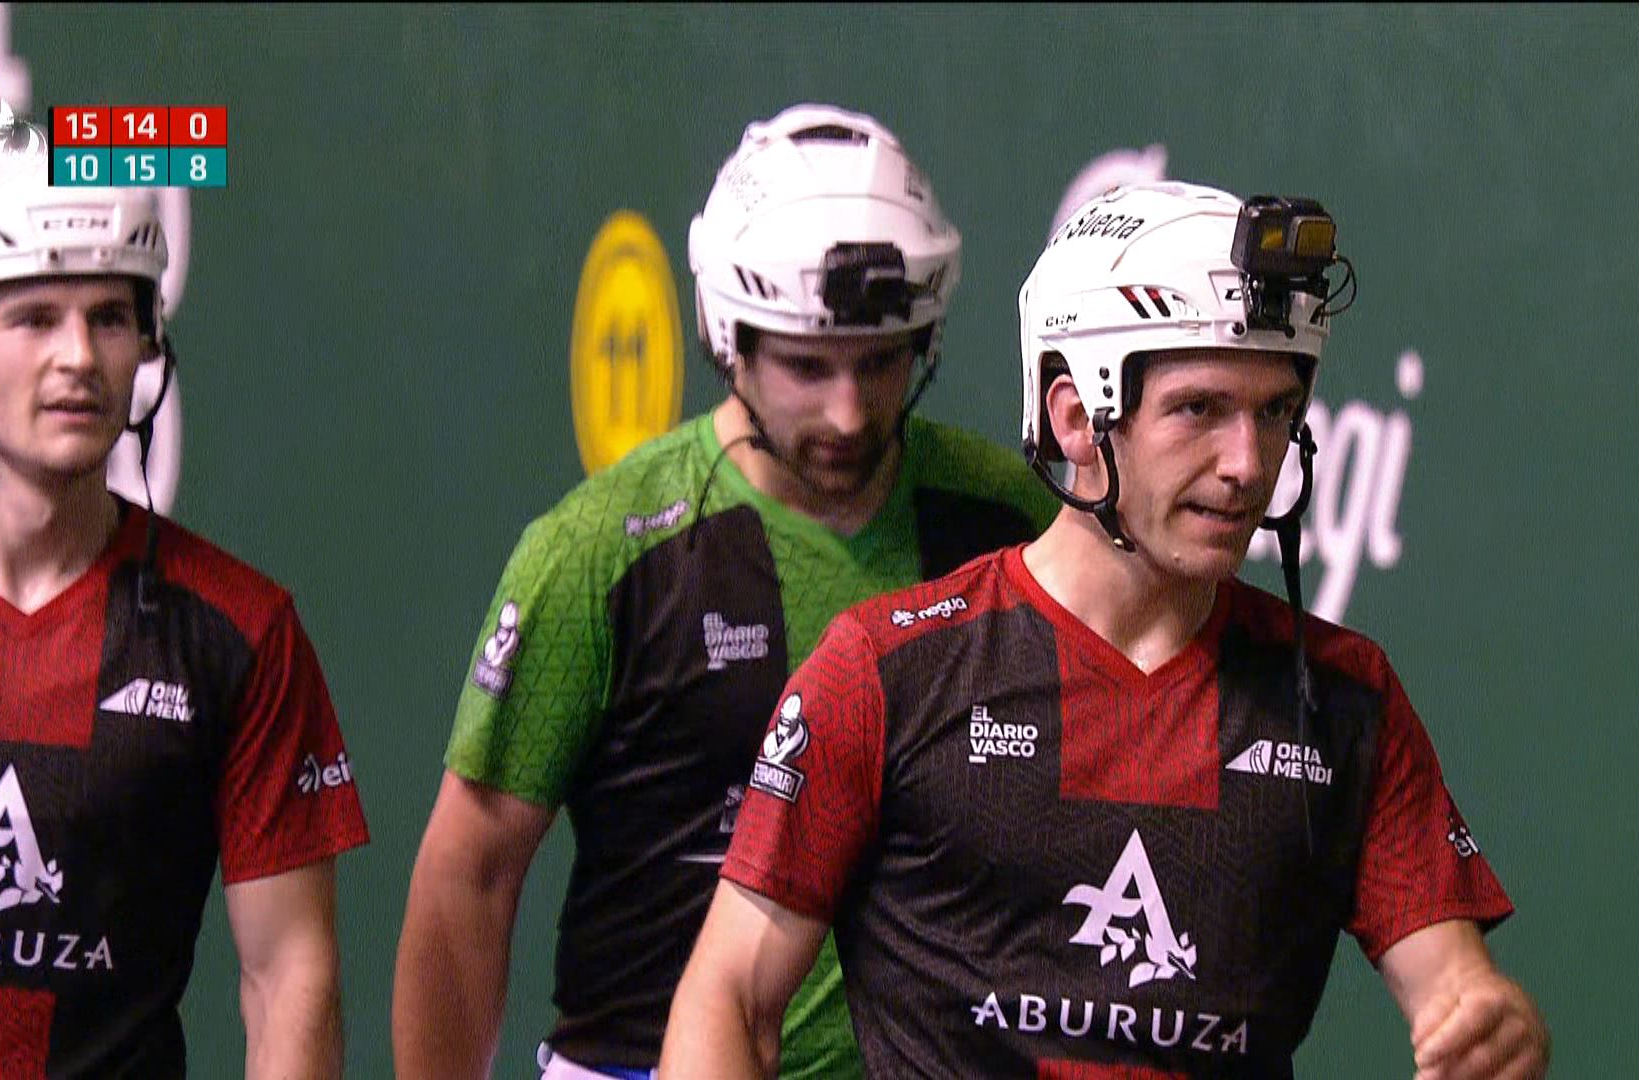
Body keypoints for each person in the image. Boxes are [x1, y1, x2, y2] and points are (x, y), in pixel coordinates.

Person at [661, 181, 1551, 1079]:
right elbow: (730, 1000)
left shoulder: (1346, 698)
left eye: (1276, 411)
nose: (1247, 465)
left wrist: (1499, 1028)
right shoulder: (885, 673)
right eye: (1199, 410)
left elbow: (1458, 996)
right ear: (1075, 418)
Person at [392, 102, 1057, 1080]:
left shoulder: (1007, 519)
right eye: (806, 367)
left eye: (881, 362)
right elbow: (472, 874)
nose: (847, 412)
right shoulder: (601, 551)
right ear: (725, 335)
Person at [0, 153, 369, 1077]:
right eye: (35, 318)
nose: (79, 357)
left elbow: (289, 977)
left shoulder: (239, 633)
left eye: (110, 317)